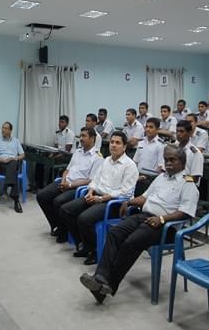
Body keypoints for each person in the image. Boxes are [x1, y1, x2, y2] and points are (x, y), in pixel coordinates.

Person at [79, 145, 199, 304]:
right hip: (145, 216)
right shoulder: (161, 177)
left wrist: (162, 219)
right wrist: (129, 202)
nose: (168, 163)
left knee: (131, 242)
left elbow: (185, 212)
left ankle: (108, 285)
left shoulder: (188, 184)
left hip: (165, 227)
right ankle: (100, 277)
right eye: (166, 160)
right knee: (115, 233)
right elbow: (145, 197)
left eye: (172, 160)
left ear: (182, 162)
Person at [58, 131, 138, 265]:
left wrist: (102, 199)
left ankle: (94, 251)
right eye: (112, 142)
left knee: (84, 219)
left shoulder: (130, 166)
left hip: (114, 203)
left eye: (117, 143)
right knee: (66, 210)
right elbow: (95, 180)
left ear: (124, 147)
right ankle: (84, 244)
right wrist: (90, 191)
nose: (113, 145)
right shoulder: (106, 160)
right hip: (96, 196)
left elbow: (126, 193)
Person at [36, 127, 102, 242]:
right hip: (65, 181)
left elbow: (90, 180)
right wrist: (63, 181)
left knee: (58, 201)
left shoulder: (97, 157)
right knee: (42, 196)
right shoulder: (77, 152)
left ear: (92, 138)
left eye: (84, 136)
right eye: (80, 136)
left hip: (77, 187)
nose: (81, 138)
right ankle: (56, 225)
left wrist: (70, 186)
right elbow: (67, 170)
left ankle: (63, 231)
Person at [0, 121, 26, 213]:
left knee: (13, 163)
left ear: (10, 130)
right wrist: (3, 160)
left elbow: (22, 154)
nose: (3, 130)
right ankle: (16, 200)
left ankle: (5, 188)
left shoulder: (16, 141)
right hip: (2, 164)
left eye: (6, 128)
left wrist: (16, 158)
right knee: (13, 169)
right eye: (2, 128)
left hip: (14, 163)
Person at [132, 117, 166, 195]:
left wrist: (147, 177)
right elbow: (135, 161)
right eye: (146, 127)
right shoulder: (141, 142)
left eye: (151, 127)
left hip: (151, 179)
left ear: (157, 129)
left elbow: (160, 168)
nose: (147, 129)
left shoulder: (161, 145)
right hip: (137, 177)